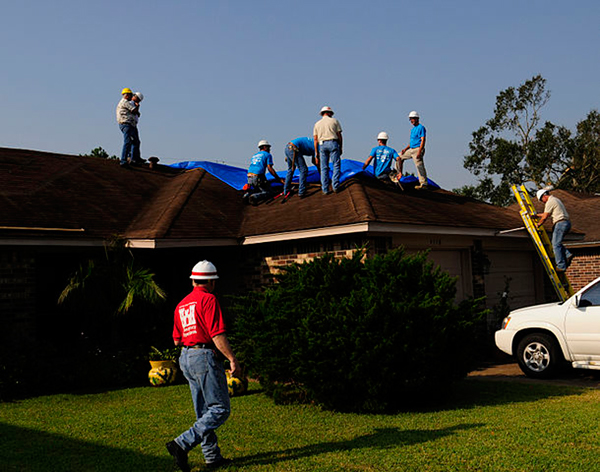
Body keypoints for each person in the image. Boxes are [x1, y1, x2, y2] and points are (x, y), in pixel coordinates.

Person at [166, 260, 241, 471]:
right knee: (220, 409)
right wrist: (232, 358)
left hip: (186, 357)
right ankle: (181, 443)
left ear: (193, 280)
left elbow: (177, 340)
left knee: (203, 411)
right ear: (210, 281)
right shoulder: (209, 299)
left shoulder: (181, 304)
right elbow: (217, 334)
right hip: (204, 355)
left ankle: (212, 457)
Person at [536, 189, 573, 272]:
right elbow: (547, 213)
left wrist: (538, 225)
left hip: (560, 224)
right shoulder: (555, 200)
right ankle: (567, 254)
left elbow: (545, 217)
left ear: (544, 196)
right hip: (565, 223)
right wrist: (537, 215)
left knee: (555, 245)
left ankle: (561, 266)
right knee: (557, 243)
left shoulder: (550, 202)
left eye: (541, 200)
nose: (543, 202)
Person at [313, 106, 343, 194]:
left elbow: (315, 139)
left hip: (322, 144)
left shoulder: (317, 124)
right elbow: (339, 135)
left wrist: (316, 152)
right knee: (336, 165)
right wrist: (340, 147)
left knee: (324, 168)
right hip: (333, 143)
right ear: (329, 113)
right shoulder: (334, 121)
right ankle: (335, 186)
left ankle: (325, 189)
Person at [397, 110, 428, 189]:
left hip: (417, 149)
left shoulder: (421, 127)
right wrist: (405, 149)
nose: (411, 120)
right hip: (411, 149)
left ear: (417, 118)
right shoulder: (413, 129)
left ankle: (423, 184)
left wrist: (420, 151)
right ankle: (398, 175)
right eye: (410, 119)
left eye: (413, 119)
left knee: (419, 165)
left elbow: (423, 140)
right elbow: (411, 142)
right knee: (398, 157)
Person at [115, 88, 142, 167]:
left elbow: (136, 113)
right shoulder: (125, 102)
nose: (131, 96)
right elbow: (134, 111)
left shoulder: (126, 102)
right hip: (126, 123)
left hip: (130, 124)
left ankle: (133, 159)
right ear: (126, 95)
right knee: (128, 142)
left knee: (135, 141)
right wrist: (137, 106)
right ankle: (124, 160)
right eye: (130, 95)